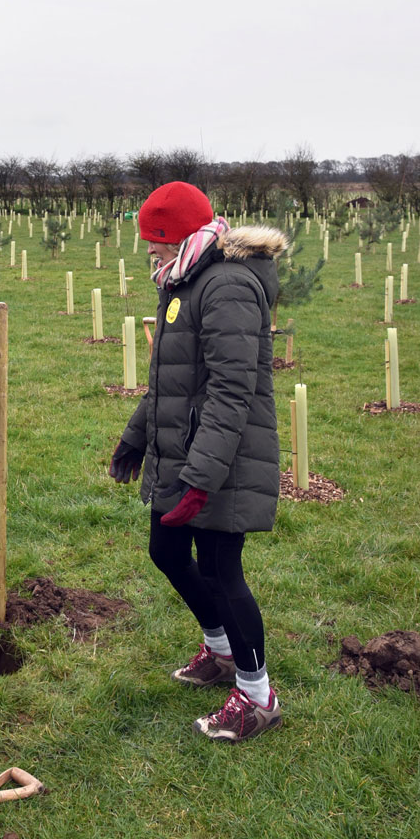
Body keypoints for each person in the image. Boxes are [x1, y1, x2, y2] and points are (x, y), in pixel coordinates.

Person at [110, 181, 286, 742]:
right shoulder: (184, 280)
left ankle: (257, 697)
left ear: (181, 235)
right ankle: (222, 651)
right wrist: (135, 438)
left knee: (219, 570)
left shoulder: (226, 285)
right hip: (184, 449)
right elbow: (173, 380)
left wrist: (203, 477)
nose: (149, 249)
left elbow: (232, 391)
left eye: (155, 239)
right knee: (165, 550)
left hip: (223, 457)